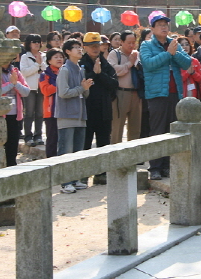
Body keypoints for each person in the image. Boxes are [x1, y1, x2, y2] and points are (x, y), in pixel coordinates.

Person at [140, 14, 192, 180]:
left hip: (174, 93)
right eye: (160, 25)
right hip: (156, 94)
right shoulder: (146, 45)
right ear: (153, 29)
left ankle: (167, 166)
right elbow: (148, 64)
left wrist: (173, 52)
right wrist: (168, 54)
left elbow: (187, 63)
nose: (164, 27)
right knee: (157, 130)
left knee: (172, 130)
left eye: (166, 24)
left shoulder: (174, 44)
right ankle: (154, 167)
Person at [80, 32, 119, 184]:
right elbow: (82, 82)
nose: (96, 49)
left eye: (98, 45)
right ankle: (83, 175)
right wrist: (94, 74)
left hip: (104, 109)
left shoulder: (105, 64)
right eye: (92, 46)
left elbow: (114, 84)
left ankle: (101, 174)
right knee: (85, 143)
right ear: (85, 47)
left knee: (104, 142)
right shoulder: (80, 63)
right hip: (86, 109)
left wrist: (100, 73)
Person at [55, 39, 93, 194]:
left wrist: (86, 88)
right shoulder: (65, 70)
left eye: (80, 47)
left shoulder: (80, 69)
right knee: (66, 149)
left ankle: (75, 179)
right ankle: (65, 182)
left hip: (80, 115)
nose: (79, 50)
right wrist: (81, 88)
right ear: (68, 52)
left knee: (78, 150)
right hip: (67, 115)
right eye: (75, 48)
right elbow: (63, 93)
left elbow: (85, 93)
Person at [107, 30, 143, 145]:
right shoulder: (114, 54)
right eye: (129, 42)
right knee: (117, 127)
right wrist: (129, 64)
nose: (132, 45)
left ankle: (134, 156)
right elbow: (113, 71)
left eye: (134, 42)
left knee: (135, 127)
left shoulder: (136, 54)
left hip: (136, 94)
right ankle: (116, 156)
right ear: (121, 42)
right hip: (120, 93)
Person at [1, 61, 30, 166]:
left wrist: (16, 83)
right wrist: (11, 84)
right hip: (0, 115)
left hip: (15, 114)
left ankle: (11, 166)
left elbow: (26, 92)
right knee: (1, 142)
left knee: (13, 143)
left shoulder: (15, 71)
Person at [20, 34, 47, 146]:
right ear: (29, 44)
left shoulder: (44, 55)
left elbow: (46, 69)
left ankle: (38, 135)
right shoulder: (25, 57)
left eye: (38, 41)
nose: (36, 43)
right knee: (29, 113)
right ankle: (28, 136)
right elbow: (24, 72)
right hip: (30, 88)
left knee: (40, 113)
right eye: (34, 41)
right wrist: (37, 65)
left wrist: (39, 67)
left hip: (41, 87)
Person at [39, 48, 65, 158]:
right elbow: (46, 90)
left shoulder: (66, 71)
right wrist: (61, 83)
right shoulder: (44, 75)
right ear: (49, 61)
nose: (59, 59)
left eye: (61, 57)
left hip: (65, 111)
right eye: (56, 57)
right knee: (52, 139)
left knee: (64, 140)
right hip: (51, 111)